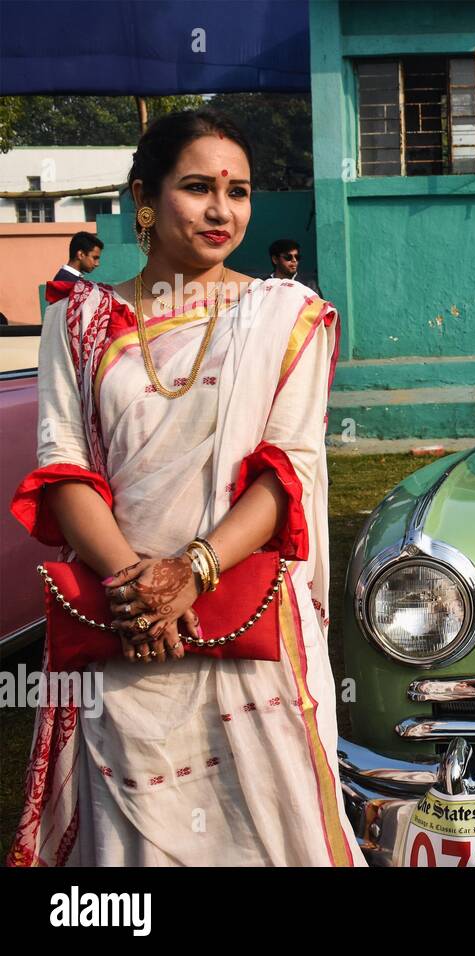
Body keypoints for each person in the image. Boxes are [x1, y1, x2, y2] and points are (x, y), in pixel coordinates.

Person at [8, 109, 361, 866]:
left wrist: (191, 571)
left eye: (238, 192)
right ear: (145, 197)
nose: (221, 210)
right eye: (197, 187)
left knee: (270, 829)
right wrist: (138, 589)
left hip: (249, 635)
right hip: (125, 634)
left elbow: (286, 470)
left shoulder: (286, 314)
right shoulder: (78, 323)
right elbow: (64, 467)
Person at [47, 232, 104, 301]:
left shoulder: (70, 278)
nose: (97, 264)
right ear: (80, 254)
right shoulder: (65, 282)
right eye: (95, 258)